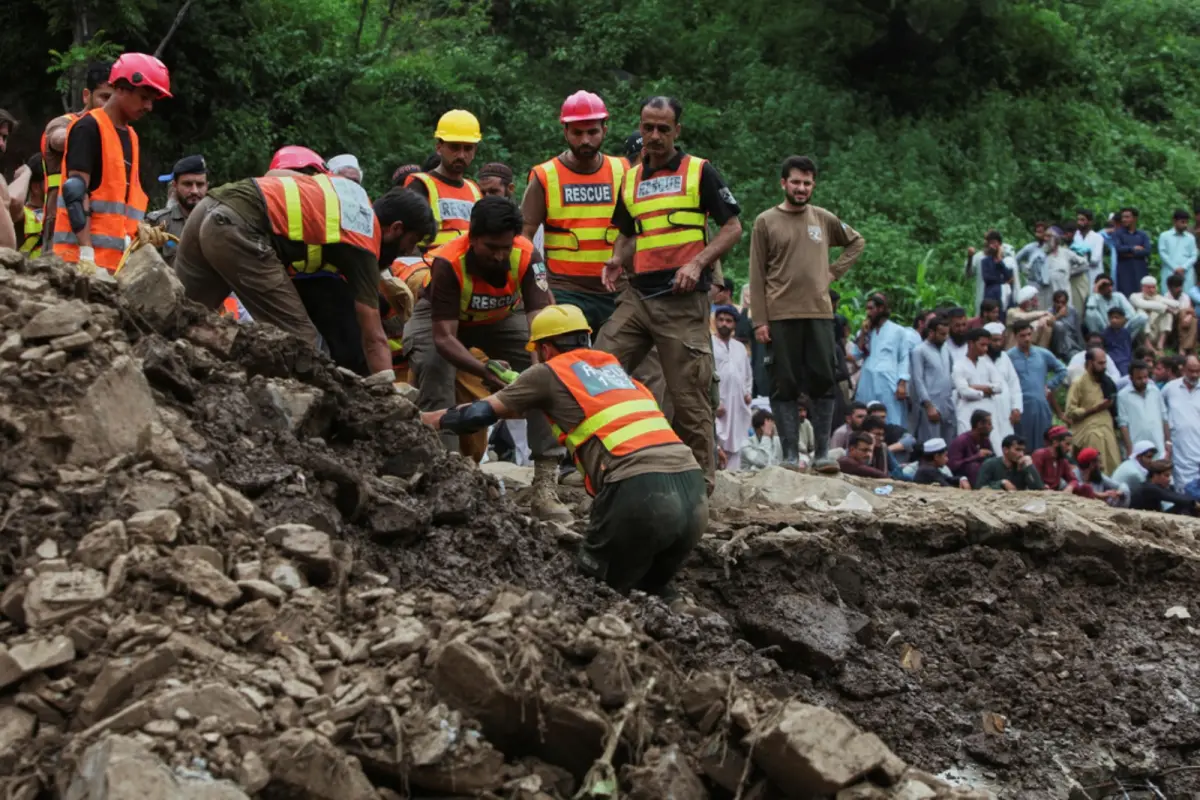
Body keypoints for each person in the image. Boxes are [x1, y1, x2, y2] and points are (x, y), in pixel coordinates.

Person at [420, 304, 708, 599]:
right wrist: (518, 389)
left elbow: (478, 415)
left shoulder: (546, 373)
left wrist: (426, 420)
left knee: (589, 589)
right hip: (694, 497)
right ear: (586, 338)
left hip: (640, 493)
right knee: (651, 589)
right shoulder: (620, 376)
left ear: (544, 349)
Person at [599, 96, 743, 492]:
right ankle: (602, 463)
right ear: (640, 127)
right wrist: (615, 260)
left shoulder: (700, 171)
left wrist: (698, 263)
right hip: (637, 297)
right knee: (599, 367)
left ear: (677, 130)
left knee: (689, 395)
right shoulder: (630, 178)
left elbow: (733, 228)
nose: (655, 136)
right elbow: (629, 234)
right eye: (648, 127)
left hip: (680, 301)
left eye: (664, 128)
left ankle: (701, 484)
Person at [402, 197, 571, 518]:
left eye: (505, 247)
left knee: (548, 373)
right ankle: (444, 472)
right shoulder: (449, 261)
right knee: (434, 365)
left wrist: (538, 370)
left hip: (502, 316)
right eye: (490, 247)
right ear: (473, 238)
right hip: (444, 320)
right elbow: (444, 338)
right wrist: (483, 370)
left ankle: (546, 483)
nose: (499, 255)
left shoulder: (526, 256)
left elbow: (540, 324)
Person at [176, 162, 429, 374]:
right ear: (396, 228)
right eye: (411, 241)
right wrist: (388, 391)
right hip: (238, 229)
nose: (408, 251)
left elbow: (274, 175)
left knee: (178, 316)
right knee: (303, 345)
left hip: (211, 206)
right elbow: (373, 337)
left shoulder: (351, 192)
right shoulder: (363, 241)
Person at [748, 154, 863, 469]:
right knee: (783, 385)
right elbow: (756, 274)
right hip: (781, 315)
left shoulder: (823, 219)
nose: (801, 188)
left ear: (814, 185)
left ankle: (823, 454)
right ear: (783, 183)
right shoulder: (765, 221)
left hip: (819, 314)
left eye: (807, 183)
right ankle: (788, 454)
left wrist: (833, 272)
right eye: (796, 182)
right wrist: (759, 320)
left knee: (824, 381)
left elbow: (855, 242)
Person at [52, 53, 171, 275]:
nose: (149, 107)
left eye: (152, 100)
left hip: (114, 266)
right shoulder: (88, 128)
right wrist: (86, 254)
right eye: (144, 97)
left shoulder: (131, 137)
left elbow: (120, 203)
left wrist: (137, 231)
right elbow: (75, 193)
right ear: (122, 88)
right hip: (78, 265)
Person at [522, 92, 626, 332]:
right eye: (577, 133)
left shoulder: (624, 170)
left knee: (624, 364)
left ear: (605, 130)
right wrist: (541, 285)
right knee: (570, 363)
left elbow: (636, 229)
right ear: (565, 132)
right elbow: (524, 236)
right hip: (565, 291)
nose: (585, 140)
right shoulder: (545, 175)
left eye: (592, 132)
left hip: (617, 291)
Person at [39, 61, 114, 249]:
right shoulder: (65, 124)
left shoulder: (119, 133)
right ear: (86, 96)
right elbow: (57, 139)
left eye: (114, 99)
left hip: (102, 234)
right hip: (62, 232)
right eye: (104, 97)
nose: (109, 106)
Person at [404, 109, 483, 249]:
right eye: (454, 147)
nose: (461, 155)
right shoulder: (420, 185)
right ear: (439, 147)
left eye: (468, 148)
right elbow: (406, 238)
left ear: (474, 151)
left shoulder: (475, 190)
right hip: (427, 266)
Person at [1008, 320, 1067, 449]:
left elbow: (1062, 370)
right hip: (1021, 407)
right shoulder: (1009, 357)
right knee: (1022, 444)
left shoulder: (1042, 354)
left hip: (1041, 405)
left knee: (1044, 444)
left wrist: (1049, 385)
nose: (1027, 339)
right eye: (1022, 336)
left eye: (1029, 334)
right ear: (1015, 336)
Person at [854, 293, 910, 427]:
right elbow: (856, 354)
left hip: (888, 382)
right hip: (867, 381)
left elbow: (904, 358)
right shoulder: (865, 331)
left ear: (881, 309)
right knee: (867, 417)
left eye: (871, 308)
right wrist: (863, 333)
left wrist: (902, 383)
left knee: (891, 419)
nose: (868, 313)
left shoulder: (898, 331)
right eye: (866, 309)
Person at [1066, 348, 1121, 474]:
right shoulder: (1078, 383)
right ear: (1090, 363)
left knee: (1114, 466)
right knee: (1095, 467)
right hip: (1088, 431)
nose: (1104, 367)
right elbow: (1070, 411)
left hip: (1107, 429)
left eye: (1105, 363)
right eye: (1100, 363)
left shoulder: (1107, 383)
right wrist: (1094, 409)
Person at [145, 154, 208, 264]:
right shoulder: (158, 223)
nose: (194, 191)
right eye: (187, 184)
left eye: (200, 184)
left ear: (207, 186)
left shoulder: (219, 221)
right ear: (175, 186)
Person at [712, 304, 752, 470]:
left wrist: (747, 392)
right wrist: (713, 401)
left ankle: (733, 476)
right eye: (720, 320)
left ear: (734, 324)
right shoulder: (709, 344)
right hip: (717, 403)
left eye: (728, 321)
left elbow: (747, 375)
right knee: (715, 440)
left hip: (737, 405)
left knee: (736, 441)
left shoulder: (740, 348)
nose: (724, 324)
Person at [952, 328, 1005, 451]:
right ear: (971, 343)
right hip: (967, 411)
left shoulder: (986, 363)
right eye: (982, 345)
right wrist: (986, 391)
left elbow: (1000, 387)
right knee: (968, 446)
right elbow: (964, 392)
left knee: (995, 445)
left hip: (988, 411)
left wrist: (974, 387)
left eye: (987, 345)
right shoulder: (959, 365)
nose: (986, 349)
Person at [910, 315, 957, 444]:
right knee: (931, 444)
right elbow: (918, 380)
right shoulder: (919, 351)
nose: (945, 337)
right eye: (942, 334)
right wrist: (929, 406)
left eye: (947, 334)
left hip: (947, 402)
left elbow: (950, 372)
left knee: (949, 444)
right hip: (931, 404)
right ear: (931, 332)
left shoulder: (946, 349)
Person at [1117, 360, 1170, 456]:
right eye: (1139, 378)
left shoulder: (1155, 391)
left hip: (1158, 446)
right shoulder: (1123, 396)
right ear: (1131, 378)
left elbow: (1164, 417)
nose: (1143, 381)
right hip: (1138, 449)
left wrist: (1168, 441)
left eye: (1146, 377)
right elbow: (1123, 425)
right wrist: (1130, 449)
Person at [1163, 355, 1200, 489]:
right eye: (1191, 371)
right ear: (1183, 369)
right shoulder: (1170, 388)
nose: (1195, 375)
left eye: (1198, 371)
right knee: (1182, 489)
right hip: (1179, 449)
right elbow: (1162, 414)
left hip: (1198, 447)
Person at [984, 322, 1023, 450]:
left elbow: (1014, 384)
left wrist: (1016, 408)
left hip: (1006, 411)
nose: (997, 344)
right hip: (988, 410)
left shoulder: (1005, 357)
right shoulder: (979, 359)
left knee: (1008, 443)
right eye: (993, 340)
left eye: (999, 340)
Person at [1131, 274, 1182, 353]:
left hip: (1156, 331)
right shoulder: (1135, 296)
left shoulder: (1159, 298)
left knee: (1167, 314)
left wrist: (1165, 307)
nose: (1151, 290)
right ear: (1142, 287)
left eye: (1153, 287)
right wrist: (1165, 308)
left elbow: (1177, 304)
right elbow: (1142, 304)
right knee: (1141, 313)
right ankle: (1149, 347)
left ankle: (1160, 345)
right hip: (1142, 334)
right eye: (1149, 287)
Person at [976, 435, 1044, 491]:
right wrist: (1001, 483)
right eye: (1018, 450)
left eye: (1023, 450)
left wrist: (1030, 466)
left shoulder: (1022, 465)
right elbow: (979, 487)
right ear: (1005, 450)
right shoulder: (990, 464)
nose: (1021, 454)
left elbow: (1038, 489)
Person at [1111, 207, 1152, 298]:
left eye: (1127, 217)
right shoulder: (1118, 234)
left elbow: (1147, 251)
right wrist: (1134, 248)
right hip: (1124, 270)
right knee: (1126, 295)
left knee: (1142, 295)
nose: (1124, 219)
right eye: (1123, 217)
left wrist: (1129, 253)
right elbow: (1119, 249)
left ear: (1135, 218)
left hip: (1140, 269)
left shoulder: (1142, 234)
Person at [948, 410, 994, 487]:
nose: (992, 427)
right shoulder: (961, 440)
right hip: (961, 477)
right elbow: (953, 465)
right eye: (989, 424)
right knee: (974, 466)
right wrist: (977, 456)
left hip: (980, 475)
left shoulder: (985, 440)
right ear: (979, 424)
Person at [1130, 460, 1195, 515]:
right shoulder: (1150, 488)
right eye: (1166, 475)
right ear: (1155, 475)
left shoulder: (1155, 486)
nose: (1169, 479)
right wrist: (1195, 503)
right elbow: (1175, 497)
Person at [1032, 426, 1081, 492]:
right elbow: (1034, 481)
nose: (1069, 449)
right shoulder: (1039, 455)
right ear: (1055, 442)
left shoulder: (1063, 460)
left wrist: (1070, 487)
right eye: (1067, 444)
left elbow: (1073, 480)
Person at [1158, 209, 1197, 293]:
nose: (1185, 225)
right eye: (1182, 222)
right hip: (1170, 270)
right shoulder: (1164, 236)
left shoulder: (1190, 237)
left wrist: (1183, 267)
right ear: (1174, 221)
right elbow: (1163, 253)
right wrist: (1175, 268)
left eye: (1186, 222)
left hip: (1186, 271)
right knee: (1168, 295)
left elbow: (1194, 255)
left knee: (1187, 296)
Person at [13, 154, 45, 256]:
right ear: (35, 187)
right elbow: (13, 202)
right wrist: (26, 173)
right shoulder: (24, 215)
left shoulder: (65, 216)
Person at [1016, 222, 1051, 309]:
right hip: (1033, 283)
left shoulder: (1052, 248)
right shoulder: (1031, 248)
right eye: (1037, 232)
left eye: (1041, 232)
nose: (1038, 234)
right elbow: (1016, 259)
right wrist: (1023, 270)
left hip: (1049, 285)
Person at [1049, 289, 1086, 360]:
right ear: (1053, 302)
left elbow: (1078, 332)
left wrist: (1082, 348)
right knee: (1059, 325)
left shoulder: (1073, 311)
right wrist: (1058, 315)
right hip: (1057, 345)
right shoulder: (1049, 312)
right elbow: (1048, 322)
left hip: (1072, 344)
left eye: (1063, 302)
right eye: (1057, 302)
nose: (1060, 305)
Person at [1165, 273, 1198, 353]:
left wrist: (1189, 316)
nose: (1179, 289)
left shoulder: (1184, 296)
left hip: (1185, 321)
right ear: (1170, 287)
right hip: (1171, 324)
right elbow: (1172, 311)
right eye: (1176, 287)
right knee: (1183, 313)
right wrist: (1188, 313)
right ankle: (1190, 350)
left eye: (1180, 286)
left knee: (1193, 320)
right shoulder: (1166, 297)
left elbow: (1191, 311)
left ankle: (1182, 348)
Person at [1074, 208, 1106, 285]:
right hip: (1078, 277)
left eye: (1082, 220)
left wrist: (1080, 257)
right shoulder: (1075, 236)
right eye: (1078, 220)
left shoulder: (1097, 237)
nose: (1079, 222)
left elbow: (1095, 260)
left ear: (1090, 222)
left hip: (1093, 275)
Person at [1101, 307, 1134, 376]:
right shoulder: (1105, 334)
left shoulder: (1126, 332)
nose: (1114, 320)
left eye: (1117, 318)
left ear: (1123, 319)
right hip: (1114, 362)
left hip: (1127, 361)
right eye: (1111, 318)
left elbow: (1129, 349)